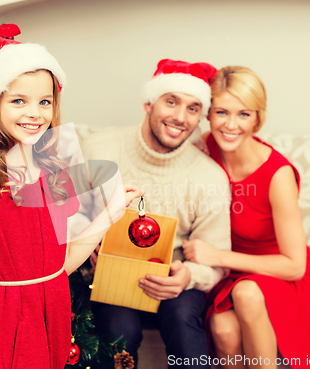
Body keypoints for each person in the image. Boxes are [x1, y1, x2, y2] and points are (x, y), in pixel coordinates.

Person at [0, 33, 142, 369]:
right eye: (18, 101)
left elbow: (59, 267)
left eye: (44, 102)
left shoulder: (54, 170)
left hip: (52, 313)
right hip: (7, 320)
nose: (34, 114)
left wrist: (110, 213)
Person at [183, 66, 310, 368]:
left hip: (278, 273)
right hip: (229, 273)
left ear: (258, 118)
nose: (230, 125)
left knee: (247, 293)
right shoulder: (206, 148)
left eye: (244, 114)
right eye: (221, 112)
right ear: (208, 114)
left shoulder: (277, 174)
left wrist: (217, 256)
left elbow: (294, 266)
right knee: (223, 328)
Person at [75, 59, 232, 368]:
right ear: (148, 104)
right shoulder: (97, 149)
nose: (179, 117)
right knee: (119, 328)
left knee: (184, 321)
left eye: (192, 108)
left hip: (175, 280)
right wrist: (88, 248)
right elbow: (67, 222)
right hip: (110, 277)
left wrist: (190, 275)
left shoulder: (209, 176)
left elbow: (217, 259)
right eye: (171, 102)